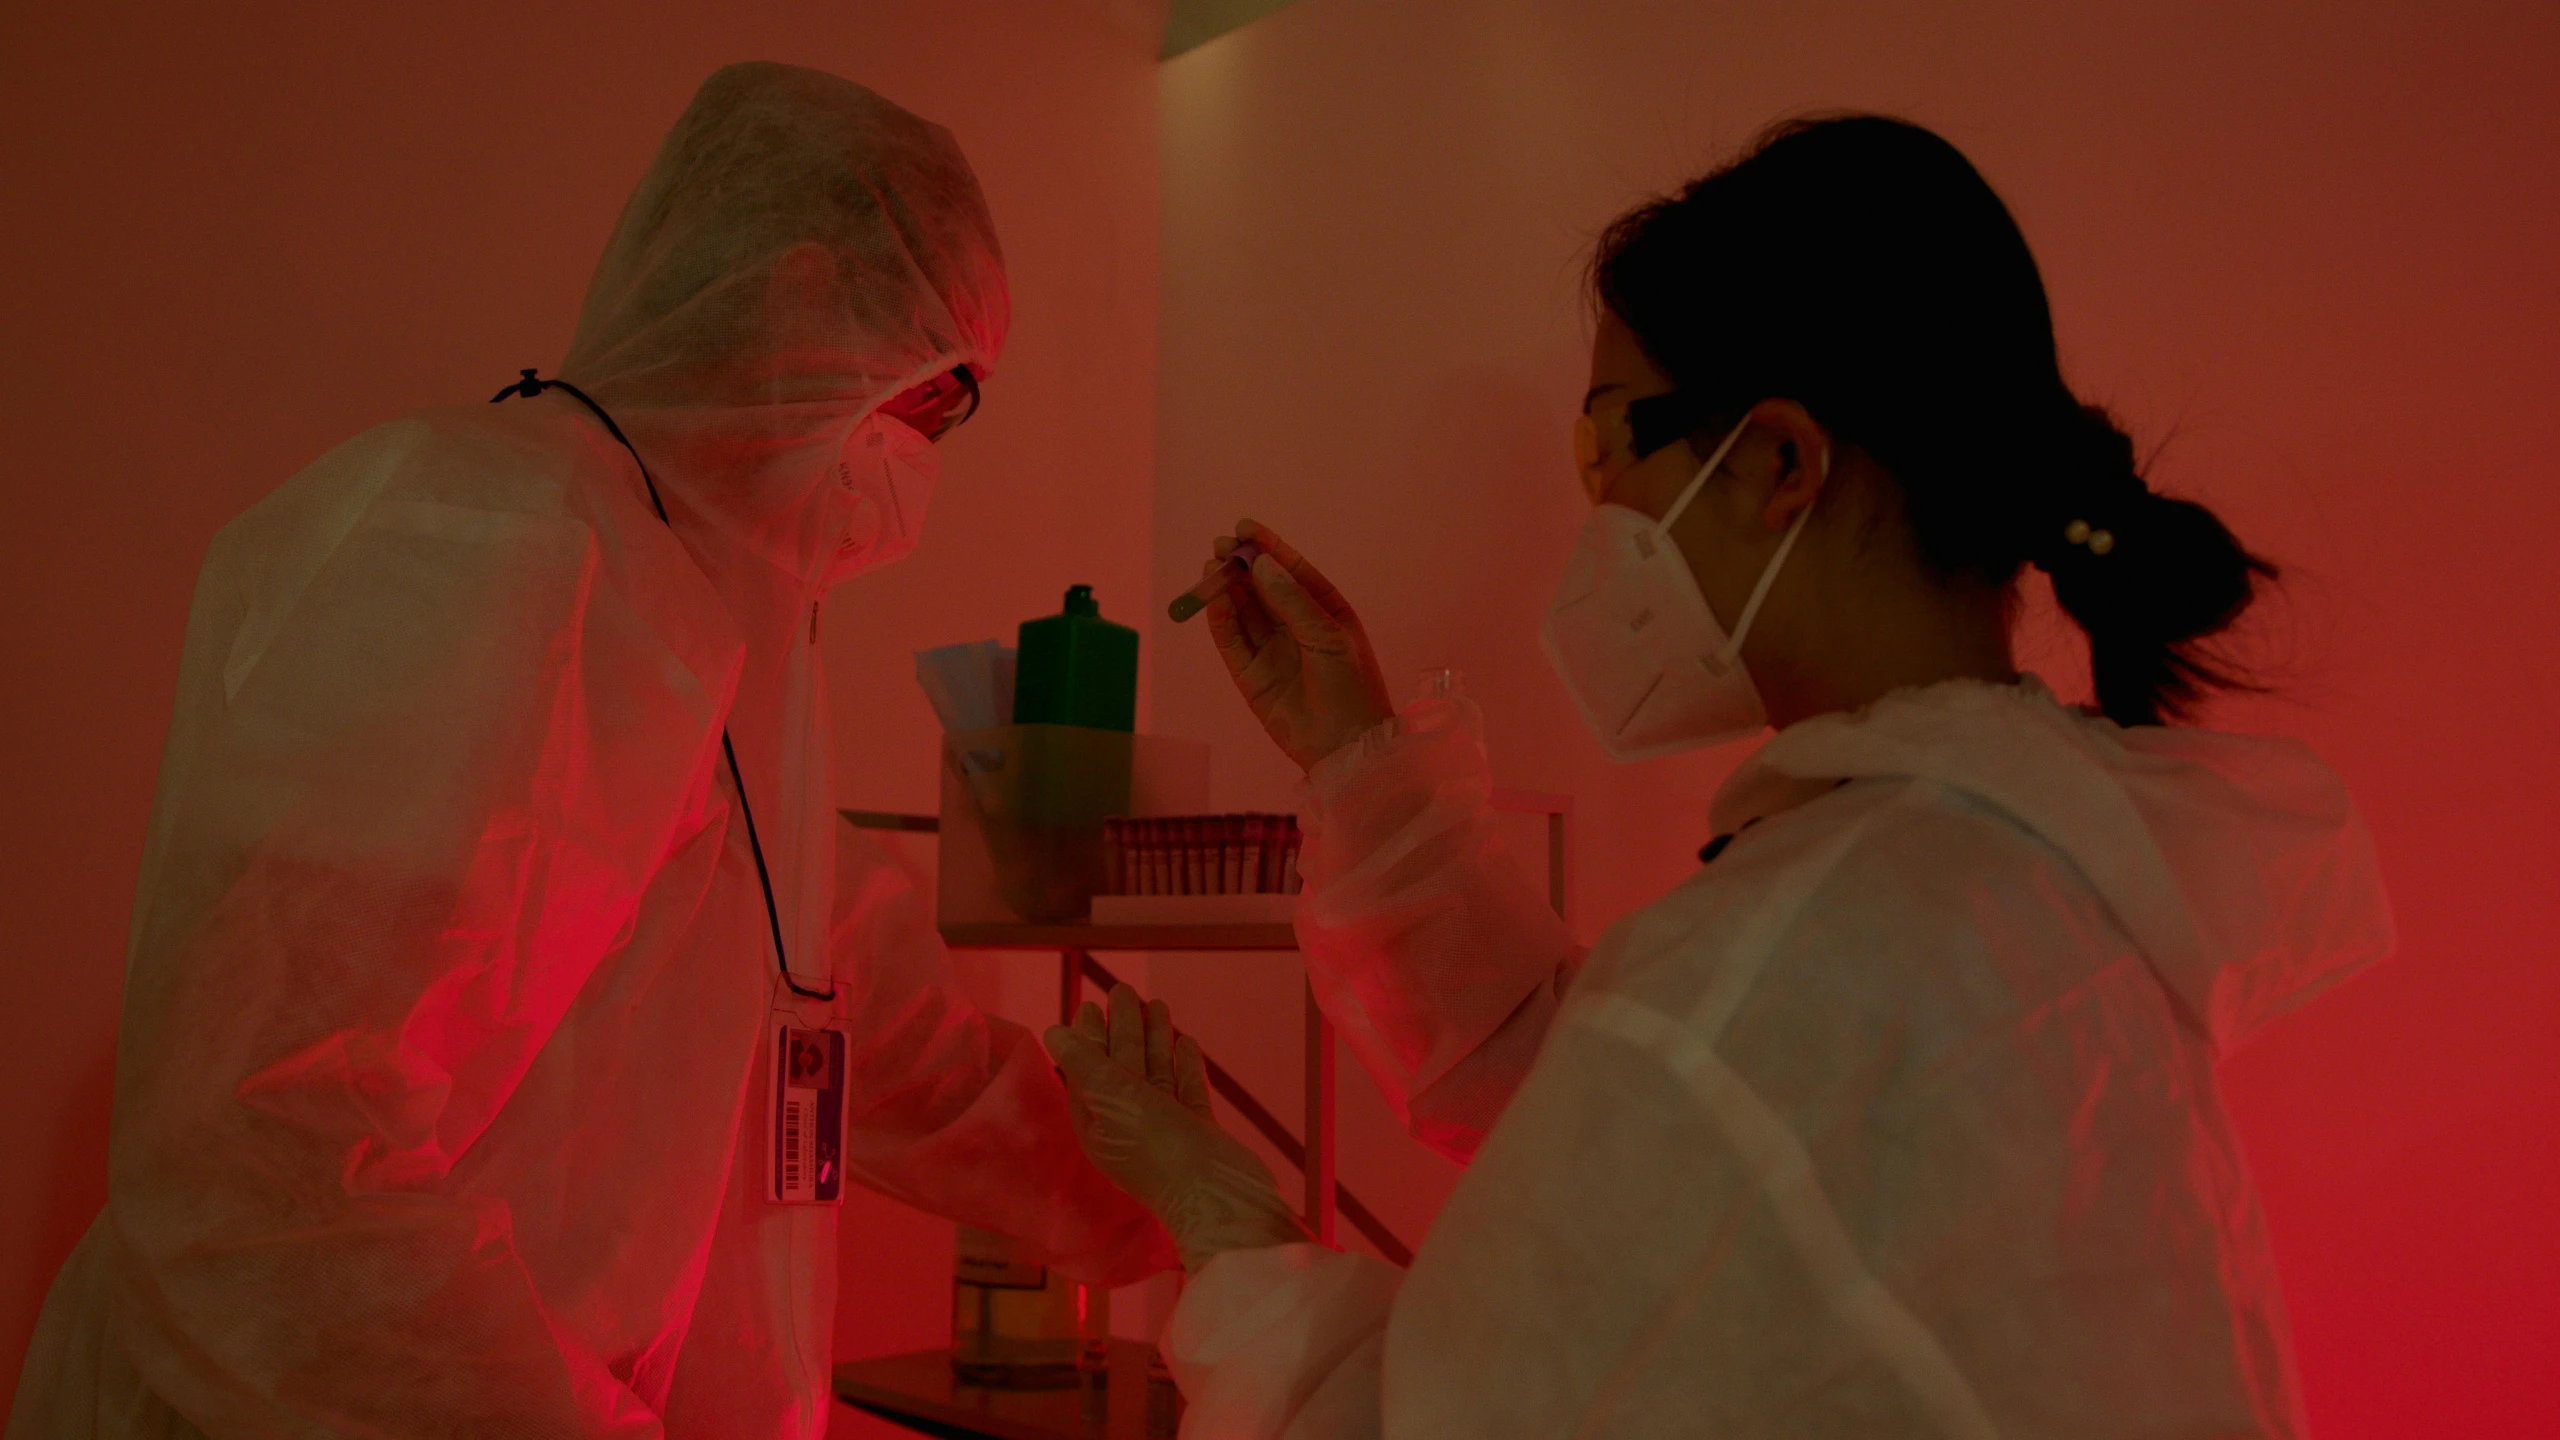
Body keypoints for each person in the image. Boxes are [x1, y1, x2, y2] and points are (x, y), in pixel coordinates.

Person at [1042, 115, 2395, 1438]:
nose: (1595, 513)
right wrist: (1355, 760)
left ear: (1780, 463)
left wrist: (1220, 1220)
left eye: (1605, 443)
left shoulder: (1807, 940)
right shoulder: (2007, 873)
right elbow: (1645, 1121)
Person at [9, 63, 1168, 1440]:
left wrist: (1168, 1193)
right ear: (804, 299)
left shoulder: (732, 640)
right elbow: (265, 1162)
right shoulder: (492, 552)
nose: (930, 450)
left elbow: (876, 1037)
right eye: (945, 393)